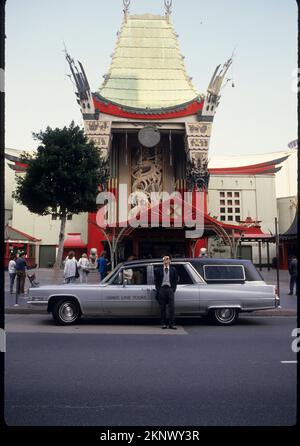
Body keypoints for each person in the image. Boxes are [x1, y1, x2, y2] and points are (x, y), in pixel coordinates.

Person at [154, 255, 178, 329]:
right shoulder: (159, 269)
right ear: (163, 261)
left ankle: (172, 324)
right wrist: (158, 289)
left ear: (170, 261)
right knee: (162, 307)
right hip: (162, 289)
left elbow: (175, 280)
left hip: (170, 289)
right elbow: (156, 280)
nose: (166, 260)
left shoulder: (173, 269)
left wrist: (173, 289)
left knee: (172, 307)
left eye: (167, 259)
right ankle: (163, 323)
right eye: (164, 259)